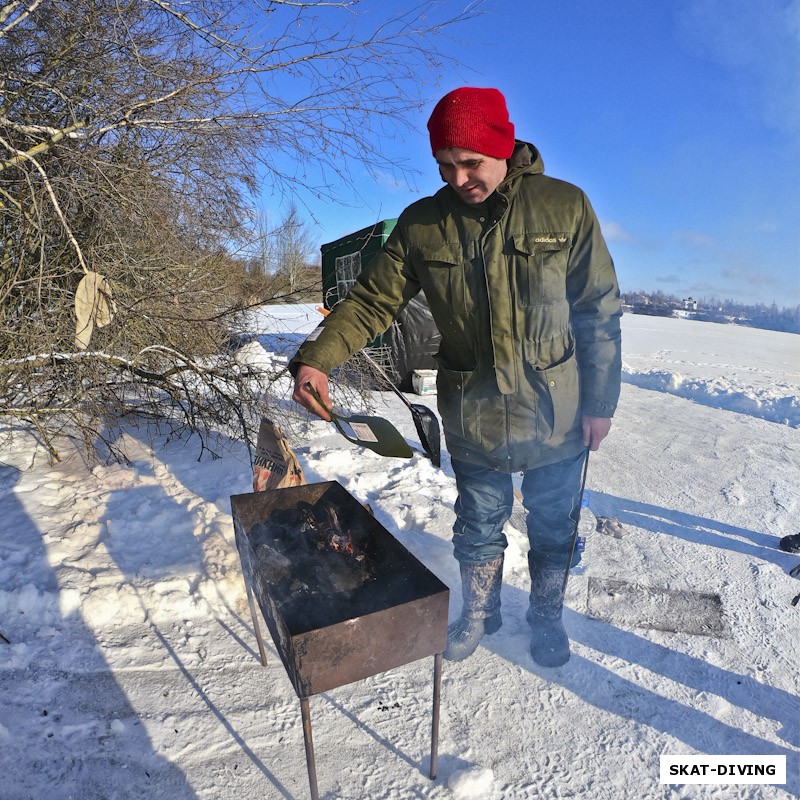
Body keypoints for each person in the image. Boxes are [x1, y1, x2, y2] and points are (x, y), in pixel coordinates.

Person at [290, 87, 622, 667]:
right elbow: (371, 301)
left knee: (552, 525)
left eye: (471, 162)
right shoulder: (424, 223)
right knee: (477, 524)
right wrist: (318, 356)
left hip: (557, 410)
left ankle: (546, 616)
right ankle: (479, 612)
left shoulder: (564, 207)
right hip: (474, 412)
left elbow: (598, 309)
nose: (459, 177)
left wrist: (601, 401)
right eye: (446, 165)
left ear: (502, 147)